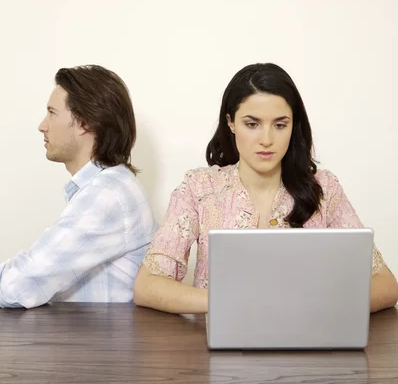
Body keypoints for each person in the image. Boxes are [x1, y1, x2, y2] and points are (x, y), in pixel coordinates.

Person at [134, 63, 398, 314]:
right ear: (231, 122)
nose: (267, 140)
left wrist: (314, 306)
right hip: (220, 346)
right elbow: (148, 285)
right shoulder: (199, 189)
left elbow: (386, 285)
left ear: (294, 126)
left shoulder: (324, 189)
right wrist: (232, 303)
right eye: (252, 124)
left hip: (307, 344)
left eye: (280, 125)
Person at [0, 65, 157, 308]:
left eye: (52, 113)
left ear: (85, 123)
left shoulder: (106, 195)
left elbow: (18, 286)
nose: (42, 125)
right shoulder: (109, 186)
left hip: (99, 344)